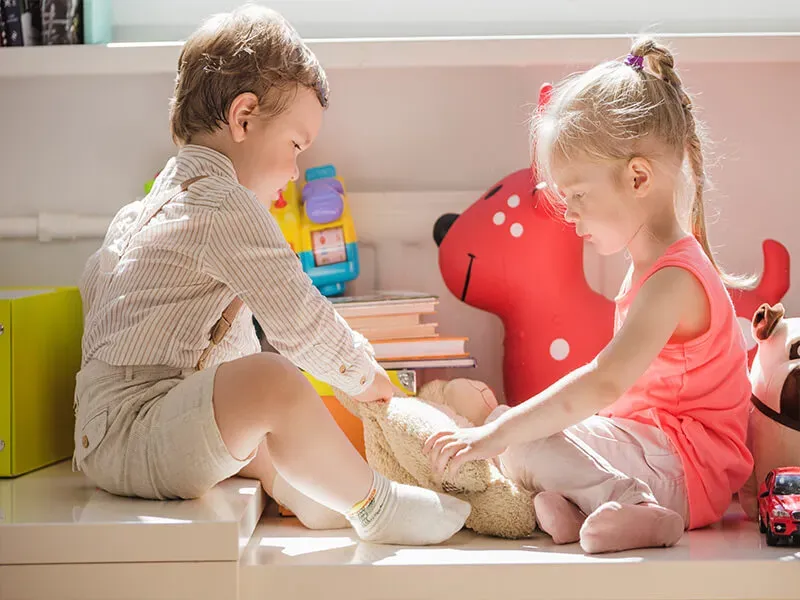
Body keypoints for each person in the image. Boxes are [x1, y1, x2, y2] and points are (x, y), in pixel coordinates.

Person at [72, 4, 470, 546]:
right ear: (243, 117)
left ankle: (314, 496)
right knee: (273, 380)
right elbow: (300, 317)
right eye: (296, 146)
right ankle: (376, 506)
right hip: (137, 432)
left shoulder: (148, 209)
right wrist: (364, 374)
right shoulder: (223, 207)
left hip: (106, 434)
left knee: (259, 421)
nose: (294, 171)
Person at [425, 37, 754, 554]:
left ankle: (640, 508)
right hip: (653, 449)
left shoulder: (674, 280)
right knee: (507, 430)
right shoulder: (649, 268)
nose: (568, 213)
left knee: (512, 433)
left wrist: (505, 433)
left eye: (577, 195)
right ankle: (583, 506)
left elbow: (604, 382)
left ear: (638, 177)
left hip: (688, 473)